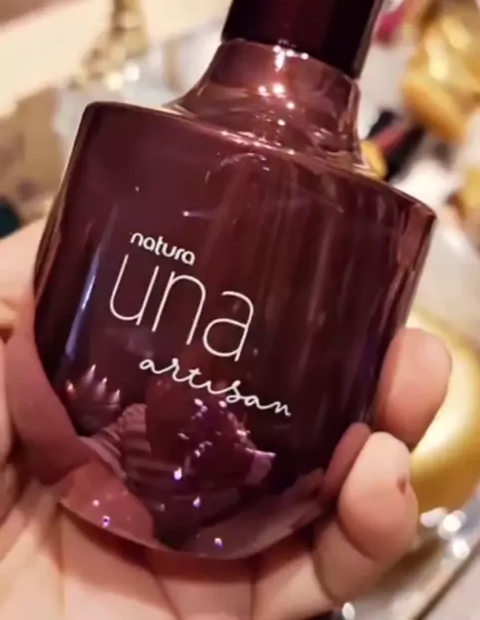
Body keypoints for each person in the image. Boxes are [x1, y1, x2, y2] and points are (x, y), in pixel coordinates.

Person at [0, 221, 450, 619]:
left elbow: (263, 476)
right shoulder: (132, 419)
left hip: (222, 547)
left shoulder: (242, 441)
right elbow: (90, 455)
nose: (194, 375)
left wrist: (232, 462)